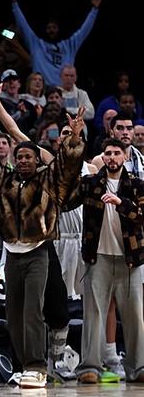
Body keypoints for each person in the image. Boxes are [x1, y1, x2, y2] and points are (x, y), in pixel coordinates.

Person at [0, 100, 86, 388]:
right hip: (11, 254)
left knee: (34, 310)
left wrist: (74, 138)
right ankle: (23, 366)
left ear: (37, 160)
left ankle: (37, 367)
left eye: (28, 157)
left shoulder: (48, 180)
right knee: (14, 314)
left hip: (38, 252)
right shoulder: (2, 180)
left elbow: (68, 166)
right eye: (19, 157)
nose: (23, 160)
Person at [66, 139, 144, 384]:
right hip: (97, 256)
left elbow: (141, 216)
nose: (112, 157)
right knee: (93, 314)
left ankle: (138, 367)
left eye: (116, 153)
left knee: (134, 315)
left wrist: (121, 203)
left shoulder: (137, 185)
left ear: (125, 157)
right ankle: (90, 366)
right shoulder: (90, 183)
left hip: (130, 258)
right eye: (108, 153)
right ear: (102, 157)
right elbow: (67, 201)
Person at [11, 0, 101, 86]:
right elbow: (23, 26)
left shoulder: (69, 45)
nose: (51, 30)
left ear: (59, 30)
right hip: (42, 91)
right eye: (49, 28)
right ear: (45, 30)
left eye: (54, 28)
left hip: (64, 91)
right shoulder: (36, 44)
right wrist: (15, 4)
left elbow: (84, 30)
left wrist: (95, 9)